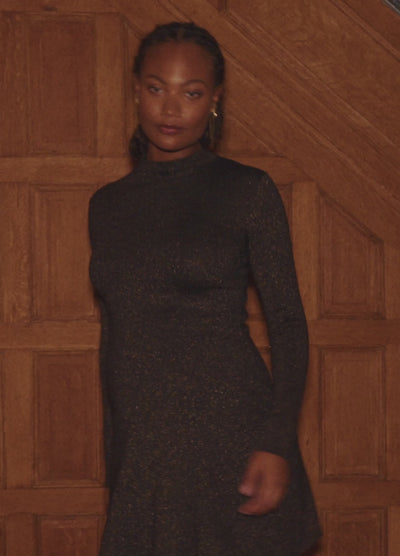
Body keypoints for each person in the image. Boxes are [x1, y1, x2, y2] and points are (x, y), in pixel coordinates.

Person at [89, 21, 321, 556]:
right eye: (156, 88)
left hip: (233, 439)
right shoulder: (106, 206)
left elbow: (288, 324)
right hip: (145, 451)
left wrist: (276, 442)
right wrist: (117, 459)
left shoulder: (247, 191)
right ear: (136, 90)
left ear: (215, 99)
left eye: (191, 93)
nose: (170, 109)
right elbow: (116, 340)